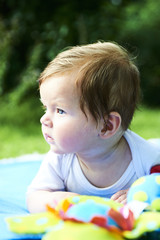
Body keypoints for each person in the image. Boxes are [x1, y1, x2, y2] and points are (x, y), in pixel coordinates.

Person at [27, 41, 160, 213]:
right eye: (46, 108)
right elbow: (35, 197)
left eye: (59, 110)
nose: (44, 119)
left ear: (106, 126)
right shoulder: (60, 160)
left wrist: (141, 194)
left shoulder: (147, 158)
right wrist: (64, 201)